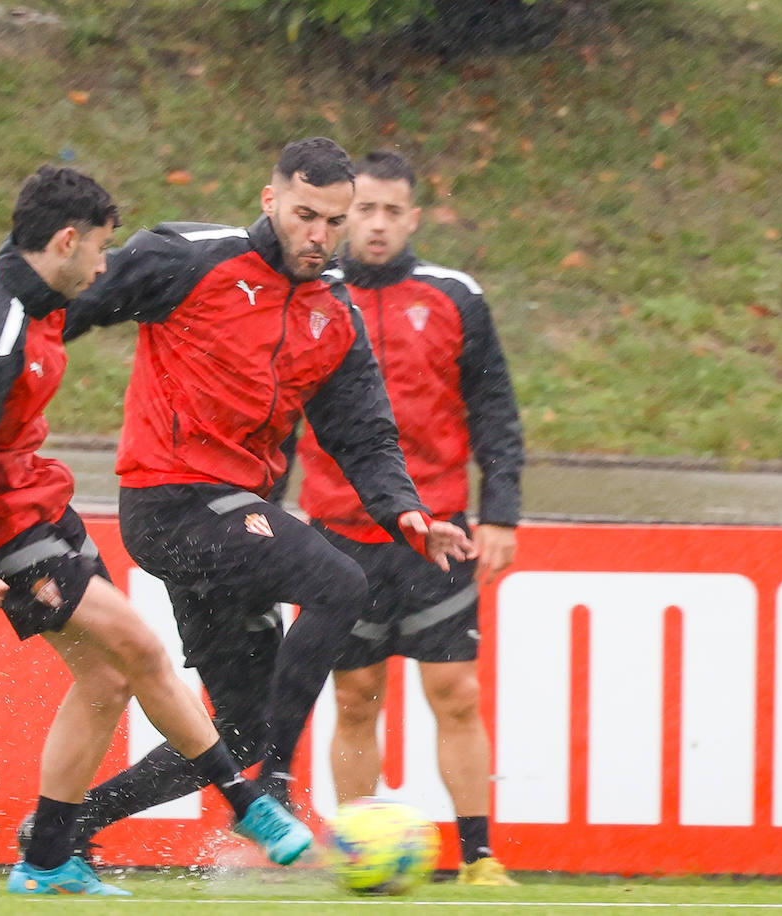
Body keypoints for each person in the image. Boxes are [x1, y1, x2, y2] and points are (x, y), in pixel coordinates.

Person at [42, 138, 475, 856]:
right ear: (269, 200)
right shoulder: (191, 258)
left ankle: (67, 826)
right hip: (169, 503)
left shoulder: (334, 311)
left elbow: (363, 433)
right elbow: (72, 299)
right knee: (340, 584)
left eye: (334, 222)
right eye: (306, 215)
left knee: (236, 726)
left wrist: (405, 509)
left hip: (233, 523)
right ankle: (274, 785)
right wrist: (9, 352)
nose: (320, 236)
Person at [0, 165, 312, 897]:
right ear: (64, 241)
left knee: (107, 677)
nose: (103, 266)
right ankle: (247, 806)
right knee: (142, 650)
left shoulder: (32, 295)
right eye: (98, 250)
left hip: (36, 504)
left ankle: (49, 859)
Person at [296, 148, 523, 885]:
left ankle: (481, 858)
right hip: (339, 531)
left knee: (455, 692)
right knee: (355, 697)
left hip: (441, 531)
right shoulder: (309, 294)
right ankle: (358, 854)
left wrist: (502, 513)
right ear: (343, 214)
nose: (378, 224)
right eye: (364, 209)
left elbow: (495, 412)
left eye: (394, 210)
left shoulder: (455, 295)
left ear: (414, 217)